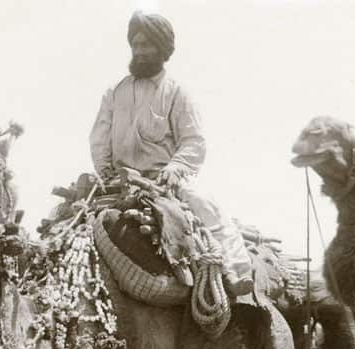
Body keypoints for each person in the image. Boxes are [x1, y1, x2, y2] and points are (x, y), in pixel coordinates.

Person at [89, 11, 254, 296]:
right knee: (66, 219)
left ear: (162, 50)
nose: (139, 51)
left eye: (147, 45)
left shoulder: (178, 93)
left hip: (164, 182)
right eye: (136, 45)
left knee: (206, 207)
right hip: (118, 181)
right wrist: (105, 172)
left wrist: (175, 168)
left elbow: (193, 141)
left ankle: (236, 273)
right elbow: (99, 139)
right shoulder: (114, 93)